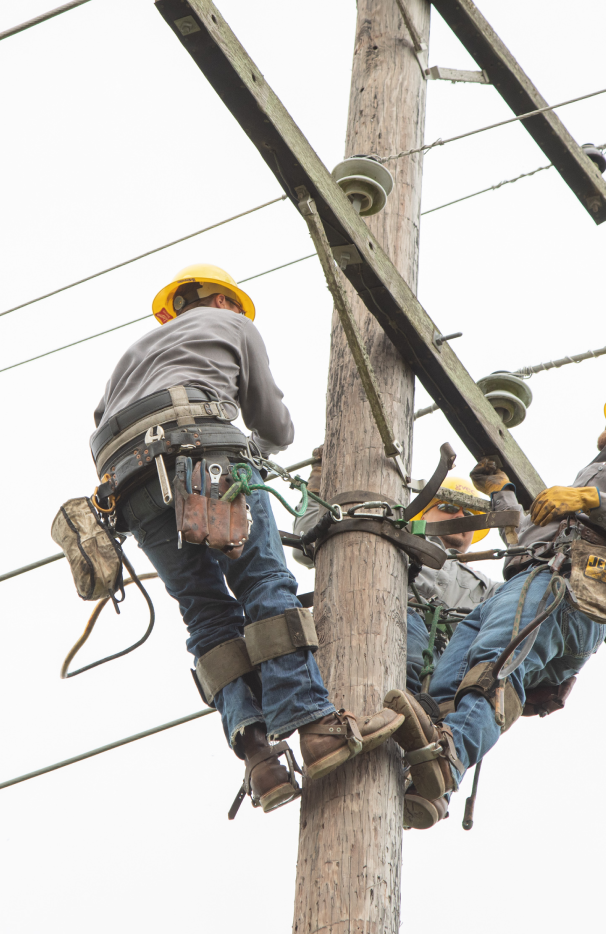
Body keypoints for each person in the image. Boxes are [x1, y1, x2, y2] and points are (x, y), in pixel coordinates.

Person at [90, 264, 400, 817]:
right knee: (263, 584)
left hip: (130, 486)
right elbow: (277, 428)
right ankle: (316, 727)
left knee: (206, 614)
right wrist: (253, 447)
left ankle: (261, 761)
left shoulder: (131, 354)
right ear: (223, 301)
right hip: (206, 456)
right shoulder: (234, 327)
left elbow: (100, 423)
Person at [382, 383, 606, 829]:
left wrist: (590, 499)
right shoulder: (597, 469)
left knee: (493, 668)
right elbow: (532, 536)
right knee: (446, 686)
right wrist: (502, 495)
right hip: (529, 581)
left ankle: (448, 762)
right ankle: (431, 782)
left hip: (568, 587)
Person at [291, 460, 497, 693]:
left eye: (469, 512)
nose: (460, 515)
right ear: (423, 514)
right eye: (448, 508)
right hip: (368, 643)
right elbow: (308, 540)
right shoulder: (391, 535)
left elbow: (530, 594)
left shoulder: (486, 588)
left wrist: (505, 498)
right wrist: (319, 485)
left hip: (445, 680)